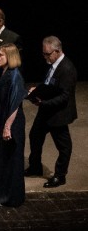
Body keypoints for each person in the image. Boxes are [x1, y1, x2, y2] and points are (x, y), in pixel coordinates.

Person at [25, 36, 77, 188]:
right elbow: (49, 83)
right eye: (43, 54)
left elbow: (64, 96)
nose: (45, 57)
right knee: (35, 136)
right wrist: (38, 90)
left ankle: (60, 176)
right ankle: (35, 167)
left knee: (64, 146)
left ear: (57, 51)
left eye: (47, 54)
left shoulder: (67, 69)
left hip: (58, 113)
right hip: (46, 110)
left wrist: (44, 103)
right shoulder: (53, 63)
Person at [0, 43, 27, 207]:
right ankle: (2, 194)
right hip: (2, 118)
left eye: (1, 55)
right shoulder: (4, 72)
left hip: (11, 122)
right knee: (3, 159)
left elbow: (16, 103)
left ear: (10, 57)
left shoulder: (14, 75)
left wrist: (7, 127)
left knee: (12, 159)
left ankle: (12, 197)